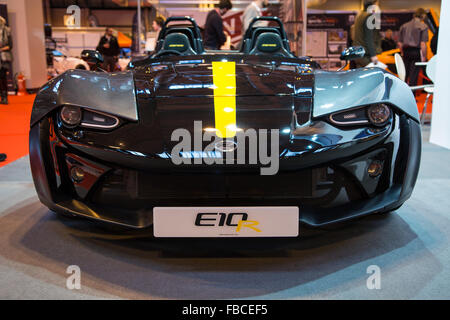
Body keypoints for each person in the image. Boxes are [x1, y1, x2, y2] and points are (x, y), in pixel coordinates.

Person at [398, 8, 429, 86]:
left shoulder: (404, 26)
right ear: (423, 15)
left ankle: (402, 93)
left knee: (404, 74)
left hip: (406, 52)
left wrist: (402, 52)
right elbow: (423, 44)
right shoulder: (423, 26)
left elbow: (399, 43)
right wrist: (424, 57)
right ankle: (412, 95)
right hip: (416, 52)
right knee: (414, 76)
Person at [352, 0, 382, 68]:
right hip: (366, 56)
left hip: (358, 54)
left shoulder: (359, 15)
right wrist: (373, 55)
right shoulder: (369, 17)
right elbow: (369, 38)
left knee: (360, 76)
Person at [0, 16, 12, 105]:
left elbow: (10, 45)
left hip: (3, 58)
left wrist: (1, 49)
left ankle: (4, 97)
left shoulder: (7, 31)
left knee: (2, 77)